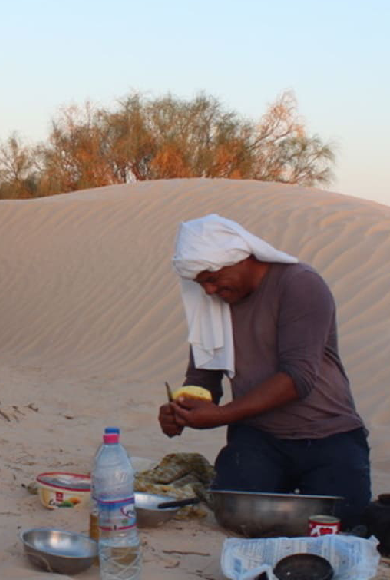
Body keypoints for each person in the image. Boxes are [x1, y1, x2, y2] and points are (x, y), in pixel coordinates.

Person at [157, 214, 371, 528]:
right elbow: (203, 380)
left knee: (341, 522)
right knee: (237, 516)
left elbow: (298, 378)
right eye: (201, 283)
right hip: (258, 437)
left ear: (240, 258)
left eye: (212, 278)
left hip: (328, 433)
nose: (209, 290)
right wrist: (182, 412)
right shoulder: (212, 303)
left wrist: (222, 415)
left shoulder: (299, 284)